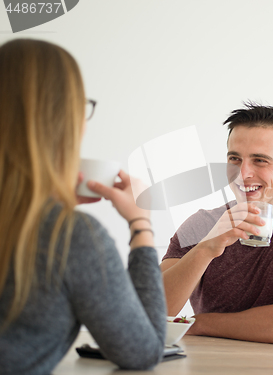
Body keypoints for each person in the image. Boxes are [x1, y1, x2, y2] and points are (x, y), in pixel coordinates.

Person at [0, 39, 166, 374]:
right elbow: (143, 351)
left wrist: (45, 204)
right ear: (65, 118)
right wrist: (140, 225)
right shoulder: (72, 237)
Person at [160, 103, 273, 346]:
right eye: (234, 158)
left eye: (260, 160)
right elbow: (152, 312)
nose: (243, 172)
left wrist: (199, 323)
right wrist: (206, 248)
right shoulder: (200, 224)